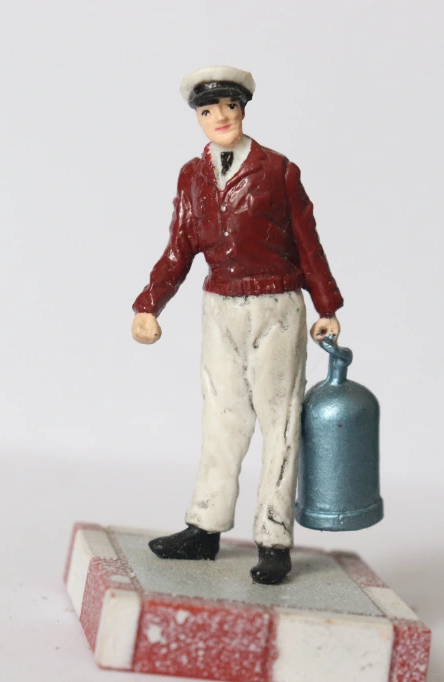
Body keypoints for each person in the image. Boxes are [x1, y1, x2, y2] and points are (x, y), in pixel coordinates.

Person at [131, 66, 343, 584]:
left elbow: (308, 241)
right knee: (221, 415)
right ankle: (205, 526)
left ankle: (274, 536)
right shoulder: (192, 175)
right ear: (198, 118)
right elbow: (180, 245)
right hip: (220, 306)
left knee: (279, 422)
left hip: (275, 305)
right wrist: (149, 304)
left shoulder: (279, 170)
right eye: (208, 110)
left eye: (228, 106)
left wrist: (326, 307)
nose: (220, 117)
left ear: (243, 109)